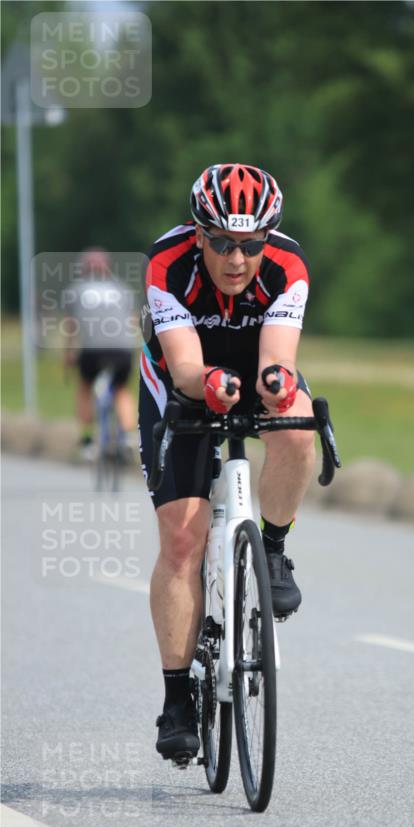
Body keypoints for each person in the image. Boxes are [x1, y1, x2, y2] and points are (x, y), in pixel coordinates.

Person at [139, 163, 315, 762]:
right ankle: (176, 700)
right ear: (197, 234)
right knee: (183, 541)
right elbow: (185, 364)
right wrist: (208, 381)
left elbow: (278, 353)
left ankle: (271, 548)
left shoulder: (288, 267)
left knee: (296, 426)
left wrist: (274, 381)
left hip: (252, 359)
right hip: (182, 376)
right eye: (221, 242)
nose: (237, 259)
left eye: (250, 244)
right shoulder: (167, 264)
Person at [63, 248, 138, 460]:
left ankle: (87, 441)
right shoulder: (122, 289)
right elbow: (133, 322)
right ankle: (128, 437)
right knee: (122, 389)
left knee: (85, 387)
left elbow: (72, 327)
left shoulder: (75, 290)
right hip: (122, 349)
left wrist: (68, 355)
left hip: (92, 350)